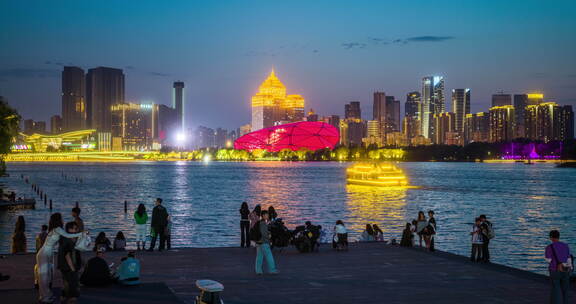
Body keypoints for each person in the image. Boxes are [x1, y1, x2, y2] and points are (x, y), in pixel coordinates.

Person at [35, 213, 84, 303]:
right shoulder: (58, 229)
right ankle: (44, 297)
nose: (63, 220)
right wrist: (82, 233)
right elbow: (68, 235)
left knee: (47, 276)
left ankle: (46, 294)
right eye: (61, 218)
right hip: (44, 253)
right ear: (58, 220)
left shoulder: (54, 229)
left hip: (47, 253)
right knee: (44, 277)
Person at [545, 230, 572, 304]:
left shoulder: (549, 247)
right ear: (558, 237)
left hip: (555, 269)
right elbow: (568, 258)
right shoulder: (565, 245)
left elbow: (548, 260)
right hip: (565, 269)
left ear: (551, 237)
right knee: (565, 289)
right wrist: (570, 268)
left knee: (556, 288)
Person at [58, 221, 82, 303]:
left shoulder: (71, 238)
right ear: (69, 229)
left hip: (68, 265)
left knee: (67, 281)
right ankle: (71, 298)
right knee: (72, 282)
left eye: (77, 228)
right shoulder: (66, 239)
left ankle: (64, 296)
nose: (76, 230)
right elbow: (67, 255)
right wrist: (73, 269)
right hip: (67, 265)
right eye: (74, 228)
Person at [254, 210, 278, 275]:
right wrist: (269, 238)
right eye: (267, 214)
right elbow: (264, 234)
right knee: (269, 256)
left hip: (258, 242)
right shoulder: (263, 223)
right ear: (263, 215)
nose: (268, 216)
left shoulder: (259, 222)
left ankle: (258, 271)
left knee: (259, 257)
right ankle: (272, 270)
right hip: (264, 242)